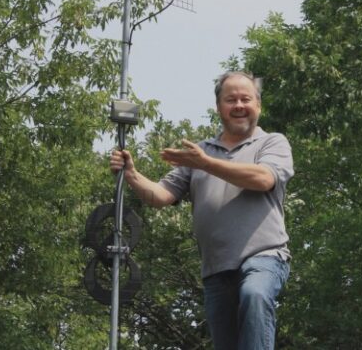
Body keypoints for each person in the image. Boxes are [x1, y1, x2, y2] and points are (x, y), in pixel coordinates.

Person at [110, 71, 294, 349]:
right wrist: (132, 174)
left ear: (258, 105)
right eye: (231, 99)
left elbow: (263, 179)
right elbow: (160, 196)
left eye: (246, 98)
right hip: (216, 268)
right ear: (219, 107)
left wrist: (206, 164)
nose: (239, 105)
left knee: (255, 294)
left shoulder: (271, 143)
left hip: (265, 256)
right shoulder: (201, 152)